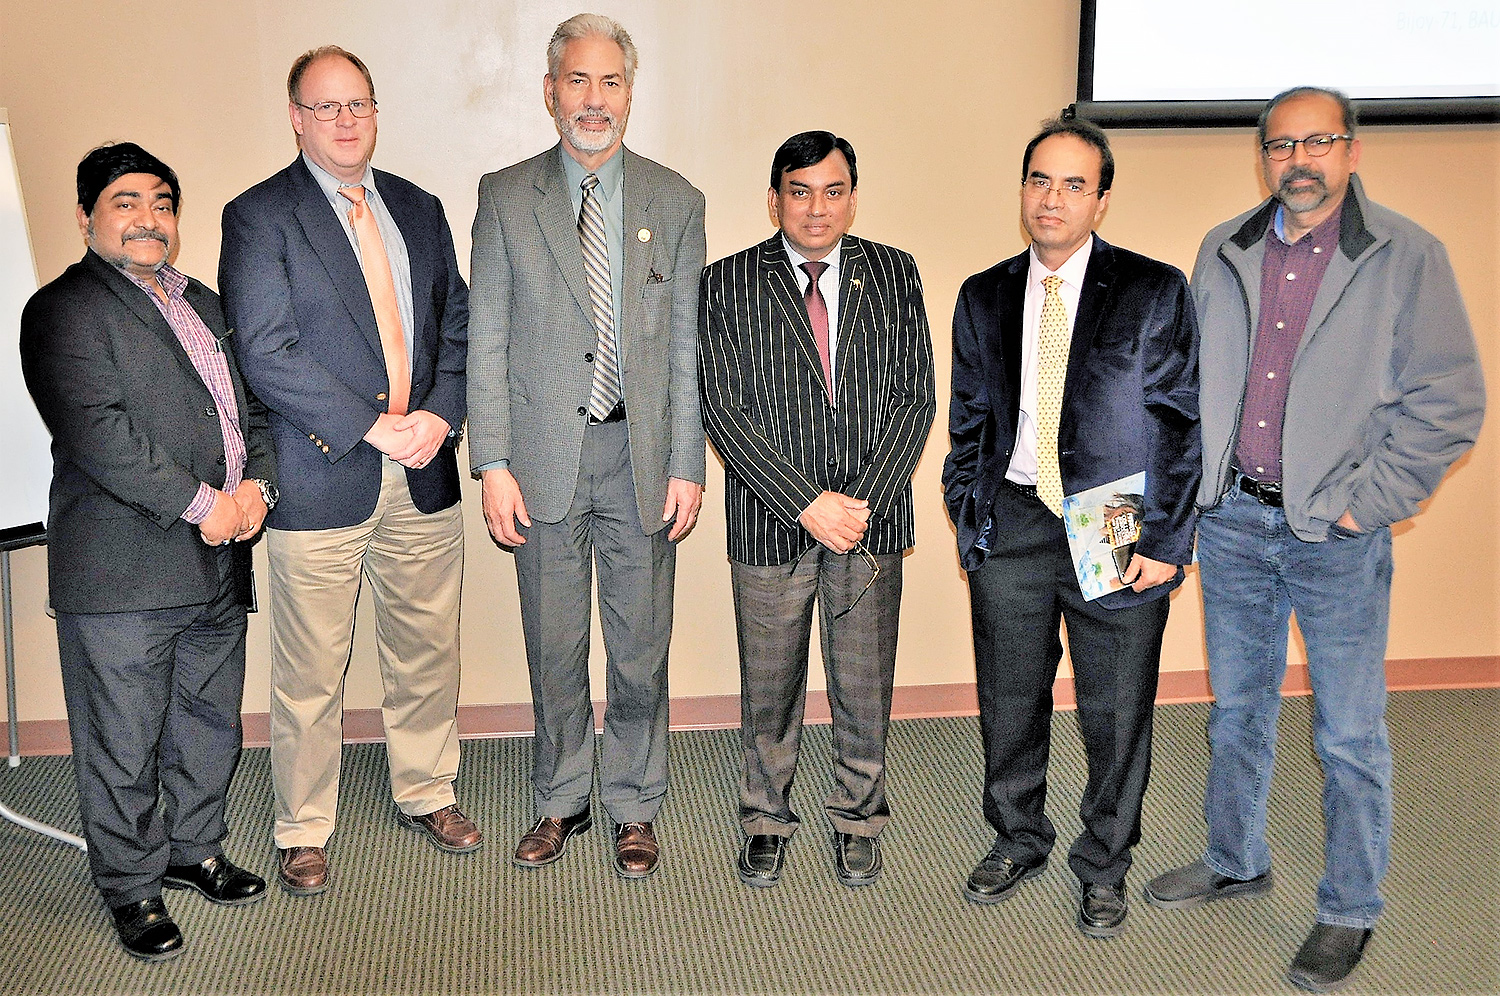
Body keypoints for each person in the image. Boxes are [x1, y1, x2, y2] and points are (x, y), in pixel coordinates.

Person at [1144, 86, 1485, 992]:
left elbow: (1450, 403)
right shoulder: (1223, 247)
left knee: (1347, 733)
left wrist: (1364, 505)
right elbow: (1189, 383)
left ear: (1352, 151)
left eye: (1319, 141)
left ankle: (1348, 907)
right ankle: (1234, 858)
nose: (1300, 159)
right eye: (1283, 144)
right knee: (1237, 713)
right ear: (1264, 158)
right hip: (1233, 525)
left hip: (1336, 538)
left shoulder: (1408, 255)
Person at [219, 44, 478, 897]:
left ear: (375, 110)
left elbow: (458, 327)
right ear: (296, 116)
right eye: (326, 107)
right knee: (308, 672)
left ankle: (427, 790)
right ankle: (303, 826)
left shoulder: (419, 206)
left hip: (426, 470)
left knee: (425, 651)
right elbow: (267, 351)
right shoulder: (259, 216)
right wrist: (375, 428)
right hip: (324, 472)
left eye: (357, 104)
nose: (345, 121)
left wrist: (438, 416)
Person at [941, 118, 1200, 937]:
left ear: (1102, 199)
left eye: (1073, 184)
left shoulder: (1154, 289)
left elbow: (1182, 425)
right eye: (1039, 181)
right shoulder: (984, 293)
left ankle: (1104, 862)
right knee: (1010, 698)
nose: (1052, 198)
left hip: (1112, 519)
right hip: (1012, 519)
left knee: (1114, 709)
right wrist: (968, 514)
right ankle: (1018, 837)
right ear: (1023, 190)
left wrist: (1163, 541)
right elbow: (970, 420)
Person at [20, 143, 275, 961]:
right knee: (122, 740)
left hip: (216, 560)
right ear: (87, 215)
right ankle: (131, 888)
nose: (147, 218)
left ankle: (193, 849)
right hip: (125, 568)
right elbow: (101, 437)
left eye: (161, 202)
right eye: (125, 201)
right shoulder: (62, 310)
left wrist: (256, 494)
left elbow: (253, 415)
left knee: (206, 724)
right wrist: (209, 506)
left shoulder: (202, 300)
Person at [467, 13, 706, 879]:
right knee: (554, 644)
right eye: (577, 81)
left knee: (641, 648)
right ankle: (561, 798)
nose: (592, 100)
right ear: (549, 91)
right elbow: (486, 337)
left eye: (610, 83)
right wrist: (491, 462)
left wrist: (687, 463)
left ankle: (636, 804)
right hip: (539, 465)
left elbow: (685, 348)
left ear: (630, 96)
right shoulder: (504, 196)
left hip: (640, 460)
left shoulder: (678, 201)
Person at [700, 131, 935, 888]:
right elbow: (723, 409)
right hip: (772, 523)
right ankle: (766, 817)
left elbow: (916, 399)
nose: (816, 207)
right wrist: (807, 503)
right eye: (799, 192)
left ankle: (859, 816)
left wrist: (856, 506)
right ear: (774, 200)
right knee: (770, 688)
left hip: (868, 525)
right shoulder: (728, 283)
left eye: (833, 191)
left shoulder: (895, 274)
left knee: (864, 683)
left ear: (852, 197)